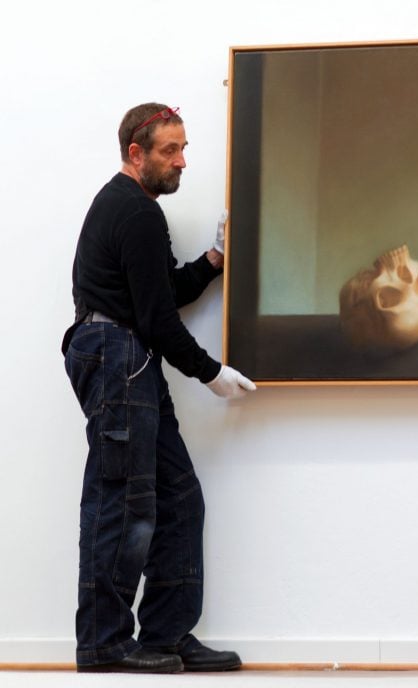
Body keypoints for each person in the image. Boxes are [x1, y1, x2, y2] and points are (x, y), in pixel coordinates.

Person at [62, 103, 256, 673]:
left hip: (126, 358)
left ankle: (166, 635)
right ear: (136, 153)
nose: (181, 161)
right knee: (122, 502)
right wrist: (210, 372)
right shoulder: (135, 211)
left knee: (177, 496)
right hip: (118, 355)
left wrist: (214, 260)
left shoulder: (134, 210)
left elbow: (161, 290)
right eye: (170, 151)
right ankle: (104, 643)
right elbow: (156, 318)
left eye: (184, 148)